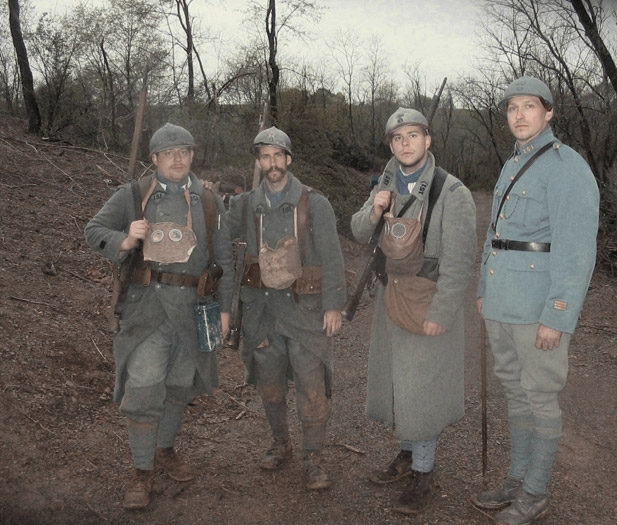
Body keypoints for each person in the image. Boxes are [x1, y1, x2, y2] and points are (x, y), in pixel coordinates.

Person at [85, 123, 234, 510]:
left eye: (184, 151)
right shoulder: (133, 195)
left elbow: (226, 262)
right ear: (154, 159)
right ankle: (142, 471)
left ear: (192, 155)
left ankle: (165, 449)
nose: (178, 159)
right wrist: (125, 239)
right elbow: (93, 230)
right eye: (169, 153)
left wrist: (227, 311)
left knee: (180, 386)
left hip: (192, 309)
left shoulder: (208, 201)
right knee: (145, 386)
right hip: (146, 309)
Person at [473, 76, 599, 525]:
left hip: (537, 306)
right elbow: (495, 232)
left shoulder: (567, 167)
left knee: (540, 396)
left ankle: (535, 492)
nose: (519, 115)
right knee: (516, 393)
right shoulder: (513, 163)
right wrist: (485, 288)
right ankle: (517, 477)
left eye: (529, 107)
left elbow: (577, 250)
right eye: (512, 108)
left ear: (548, 113)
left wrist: (557, 315)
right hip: (503, 301)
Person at [350, 108, 477, 514]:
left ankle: (424, 473)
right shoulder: (385, 182)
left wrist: (442, 312)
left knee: (422, 393)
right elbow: (356, 230)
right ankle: (406, 456)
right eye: (397, 137)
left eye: (413, 135)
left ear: (428, 140)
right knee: (398, 385)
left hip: (427, 302)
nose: (405, 144)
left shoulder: (451, 192)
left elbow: (459, 263)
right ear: (390, 144)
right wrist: (374, 209)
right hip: (391, 300)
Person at [227, 127, 345, 490]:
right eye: (265, 156)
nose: (272, 163)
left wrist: (333, 305)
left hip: (305, 311)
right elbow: (226, 252)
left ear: (289, 160)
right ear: (258, 162)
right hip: (262, 313)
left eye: (278, 155)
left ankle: (313, 455)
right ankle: (281, 443)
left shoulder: (314, 203)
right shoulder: (245, 205)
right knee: (270, 386)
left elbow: (332, 257)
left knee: (311, 385)